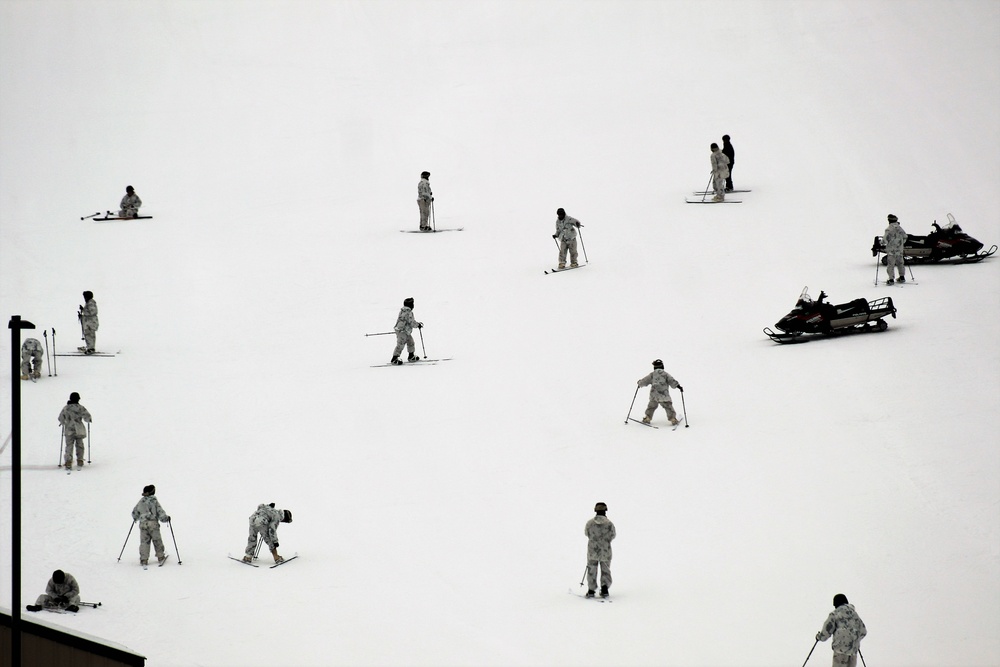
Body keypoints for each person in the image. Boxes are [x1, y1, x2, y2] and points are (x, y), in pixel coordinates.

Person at [816, 593, 867, 667]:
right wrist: (853, 638)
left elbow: (826, 632)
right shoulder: (855, 615)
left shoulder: (835, 614)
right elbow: (863, 631)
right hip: (853, 651)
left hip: (840, 650)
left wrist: (819, 637)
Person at [131, 484, 171, 566]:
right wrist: (166, 518)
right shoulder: (154, 501)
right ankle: (160, 556)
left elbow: (134, 512)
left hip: (143, 524)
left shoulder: (141, 501)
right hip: (153, 524)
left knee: (144, 542)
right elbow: (160, 512)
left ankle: (144, 559)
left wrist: (136, 518)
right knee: (157, 540)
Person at [584, 502, 616, 598]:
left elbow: (586, 533)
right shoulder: (609, 524)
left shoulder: (590, 523)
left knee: (591, 569)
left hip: (592, 550)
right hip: (605, 551)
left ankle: (591, 590)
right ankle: (605, 588)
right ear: (605, 511)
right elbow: (613, 535)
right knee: (606, 569)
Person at [637, 359, 682, 426]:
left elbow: (644, 381)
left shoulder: (652, 375)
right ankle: (673, 419)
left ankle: (648, 418)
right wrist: (678, 386)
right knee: (668, 407)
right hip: (663, 394)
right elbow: (672, 381)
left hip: (654, 395)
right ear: (662, 366)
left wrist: (639, 383)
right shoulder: (666, 374)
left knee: (651, 407)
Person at [58, 392, 92, 470]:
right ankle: (80, 460)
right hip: (79, 429)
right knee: (80, 445)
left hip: (69, 430)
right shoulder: (80, 407)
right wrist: (89, 420)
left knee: (69, 446)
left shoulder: (66, 408)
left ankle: (68, 462)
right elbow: (87, 416)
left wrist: (63, 422)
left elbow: (61, 418)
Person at [390, 297, 423, 365]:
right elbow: (411, 322)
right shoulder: (408, 312)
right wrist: (418, 325)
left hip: (405, 331)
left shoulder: (403, 311)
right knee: (400, 344)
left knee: (411, 342)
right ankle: (394, 358)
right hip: (402, 331)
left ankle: (411, 356)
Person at [883, 214, 908, 285]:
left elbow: (885, 239)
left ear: (889, 220)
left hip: (891, 250)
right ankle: (902, 277)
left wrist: (885, 242)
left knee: (891, 264)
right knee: (900, 263)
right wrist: (901, 243)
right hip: (899, 250)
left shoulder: (888, 229)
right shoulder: (900, 228)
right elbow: (905, 237)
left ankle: (891, 279)